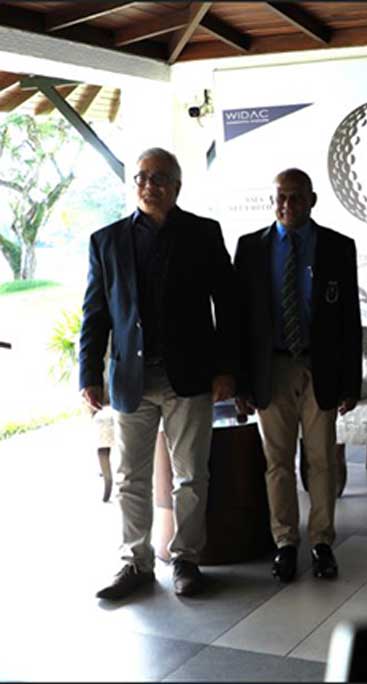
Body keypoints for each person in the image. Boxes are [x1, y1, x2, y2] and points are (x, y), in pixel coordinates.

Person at [79, 148, 239, 599]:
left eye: (160, 178)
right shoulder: (106, 241)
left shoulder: (204, 234)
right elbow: (95, 314)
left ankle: (186, 559)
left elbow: (228, 306)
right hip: (131, 378)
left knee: (192, 475)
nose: (150, 185)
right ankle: (135, 562)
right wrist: (88, 374)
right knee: (130, 477)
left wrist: (227, 368)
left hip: (190, 375)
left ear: (177, 187)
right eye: (142, 177)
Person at [233, 168, 362, 583]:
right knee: (278, 462)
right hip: (270, 369)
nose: (288, 204)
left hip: (319, 367)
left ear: (312, 200)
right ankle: (285, 543)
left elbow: (348, 318)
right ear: (272, 201)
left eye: (297, 197)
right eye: (281, 197)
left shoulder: (338, 247)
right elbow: (238, 322)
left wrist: (350, 382)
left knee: (322, 460)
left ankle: (322, 542)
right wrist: (241, 383)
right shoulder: (250, 247)